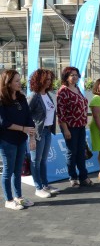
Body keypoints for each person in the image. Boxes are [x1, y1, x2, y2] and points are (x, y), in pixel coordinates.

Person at [0, 69, 35, 210]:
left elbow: (28, 118)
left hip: (21, 140)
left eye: (20, 80)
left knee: (18, 170)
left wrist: (31, 137)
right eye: (16, 81)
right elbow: (3, 122)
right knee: (8, 171)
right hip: (7, 141)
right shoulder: (2, 100)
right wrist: (22, 129)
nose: (20, 83)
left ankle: (19, 197)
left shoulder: (21, 98)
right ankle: (8, 200)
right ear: (7, 83)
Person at [57, 67, 93, 187]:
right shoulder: (63, 91)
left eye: (76, 75)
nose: (75, 77)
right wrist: (65, 129)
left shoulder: (77, 88)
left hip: (81, 125)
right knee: (72, 152)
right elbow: (61, 113)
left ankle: (84, 176)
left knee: (81, 151)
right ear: (66, 77)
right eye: (72, 75)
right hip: (70, 126)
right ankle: (73, 176)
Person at [28, 68, 59, 198]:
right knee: (36, 160)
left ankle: (45, 184)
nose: (49, 81)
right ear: (38, 80)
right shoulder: (34, 96)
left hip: (47, 130)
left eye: (50, 79)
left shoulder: (48, 94)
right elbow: (26, 115)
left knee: (44, 160)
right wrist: (31, 136)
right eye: (46, 79)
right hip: (38, 132)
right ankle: (38, 187)